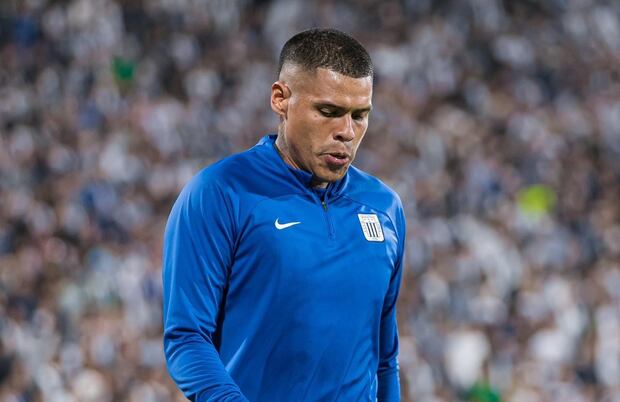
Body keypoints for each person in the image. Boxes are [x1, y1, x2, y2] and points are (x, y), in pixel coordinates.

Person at [162, 28, 407, 402]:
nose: (346, 131)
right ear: (280, 99)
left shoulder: (384, 207)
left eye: (360, 116)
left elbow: (385, 358)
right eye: (329, 112)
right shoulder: (220, 193)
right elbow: (186, 338)